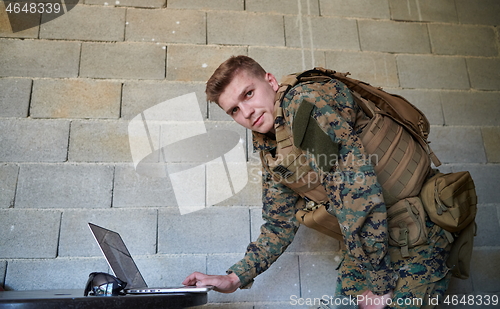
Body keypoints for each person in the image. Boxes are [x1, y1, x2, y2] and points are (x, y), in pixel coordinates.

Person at [183, 56, 451, 309]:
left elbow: (357, 190)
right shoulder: (271, 143)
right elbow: (279, 222)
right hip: (370, 244)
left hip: (417, 233)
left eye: (248, 94)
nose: (247, 112)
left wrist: (380, 286)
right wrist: (234, 278)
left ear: (271, 82)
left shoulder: (304, 103)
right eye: (235, 110)